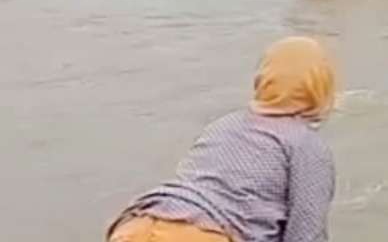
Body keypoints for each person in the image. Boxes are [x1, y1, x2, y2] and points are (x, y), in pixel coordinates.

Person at [106, 37, 337, 242]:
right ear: (321, 86)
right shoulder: (306, 146)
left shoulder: (224, 124)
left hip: (138, 223)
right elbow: (306, 236)